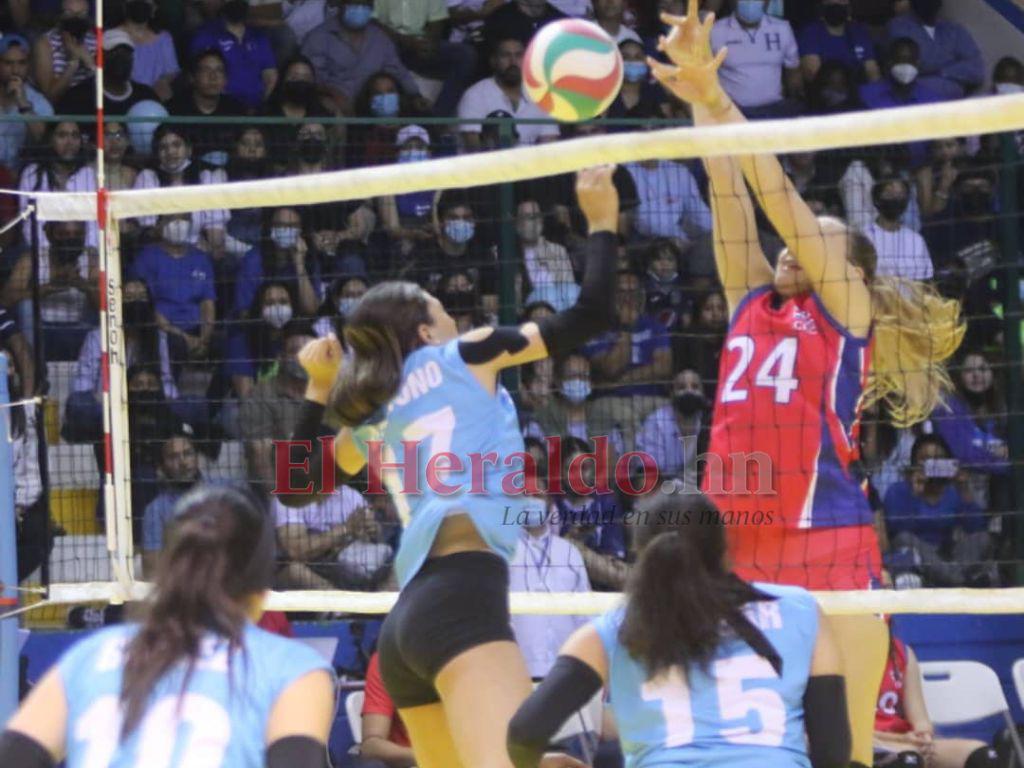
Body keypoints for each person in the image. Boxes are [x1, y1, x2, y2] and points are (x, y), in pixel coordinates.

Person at [648, 3, 963, 762]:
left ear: (850, 267)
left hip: (827, 537)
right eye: (801, 238)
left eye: (821, 237)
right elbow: (730, 189)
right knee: (750, 744)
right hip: (736, 539)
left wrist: (725, 104)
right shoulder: (751, 302)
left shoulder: (847, 310)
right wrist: (698, 94)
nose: (798, 245)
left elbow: (780, 203)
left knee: (841, 746)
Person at [278, 167, 621, 768]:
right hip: (463, 598)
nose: (454, 319)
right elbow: (591, 315)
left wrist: (316, 389)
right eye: (443, 310)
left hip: (406, 624)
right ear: (423, 329)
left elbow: (295, 487)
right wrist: (600, 221)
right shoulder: (465, 354)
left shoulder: (375, 414)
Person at [507, 490, 852, 768]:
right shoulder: (800, 610)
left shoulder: (608, 632)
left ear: (642, 555)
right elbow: (833, 754)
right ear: (723, 550)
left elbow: (523, 734)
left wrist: (539, 763)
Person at [0, 485, 336, 768]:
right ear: (263, 584)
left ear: (167, 567)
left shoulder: (89, 657)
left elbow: (14, 757)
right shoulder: (294, 671)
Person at [882, 433, 996, 588]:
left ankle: (949, 576)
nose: (933, 463)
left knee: (983, 538)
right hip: (915, 557)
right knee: (904, 538)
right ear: (914, 462)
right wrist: (915, 494)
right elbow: (896, 530)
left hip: (947, 554)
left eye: (938, 458)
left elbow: (976, 528)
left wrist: (965, 490)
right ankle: (959, 580)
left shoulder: (952, 490)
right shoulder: (898, 490)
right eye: (925, 459)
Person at [874, 629, 1001, 768]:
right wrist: (900, 739)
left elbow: (920, 720)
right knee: (908, 758)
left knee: (983, 756)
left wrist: (923, 737)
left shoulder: (902, 652)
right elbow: (849, 733)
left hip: (906, 742)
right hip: (867, 743)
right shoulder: (846, 657)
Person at [301, 0, 422, 114]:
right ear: (341, 3)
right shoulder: (318, 37)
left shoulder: (380, 38)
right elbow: (310, 78)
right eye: (355, 3)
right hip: (335, 106)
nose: (360, 8)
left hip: (372, 107)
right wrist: (332, 93)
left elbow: (397, 71)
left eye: (365, 4)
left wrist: (416, 96)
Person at [458, 36, 561, 150]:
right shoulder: (475, 95)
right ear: (493, 61)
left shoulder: (541, 95)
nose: (513, 61)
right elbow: (473, 148)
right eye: (505, 55)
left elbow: (549, 144)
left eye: (519, 55)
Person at [710, 0, 803, 118]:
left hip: (776, 110)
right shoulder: (715, 31)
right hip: (733, 112)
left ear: (767, 2)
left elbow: (793, 73)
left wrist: (796, 100)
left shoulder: (782, 28)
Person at [886, 0, 983, 100]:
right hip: (915, 101)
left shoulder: (954, 29)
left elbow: (977, 70)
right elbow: (919, 64)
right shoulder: (899, 26)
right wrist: (955, 68)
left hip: (954, 105)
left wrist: (942, 71)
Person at [190, 0, 278, 109]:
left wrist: (261, 107)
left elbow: (270, 77)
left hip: (256, 110)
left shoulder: (259, 37)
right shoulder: (206, 35)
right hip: (222, 110)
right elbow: (199, 76)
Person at [862, 177, 933, 281]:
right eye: (889, 193)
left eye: (900, 194)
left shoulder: (916, 240)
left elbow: (924, 281)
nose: (895, 198)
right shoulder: (863, 237)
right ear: (876, 199)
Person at [0, 34, 52, 170]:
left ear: (29, 66)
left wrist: (24, 105)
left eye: (21, 63)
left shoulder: (38, 101)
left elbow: (47, 141)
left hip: (23, 176)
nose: (15, 70)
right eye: (8, 63)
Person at [30, 0, 97, 104]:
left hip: (90, 106)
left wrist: (90, 63)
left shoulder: (97, 42)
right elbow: (49, 97)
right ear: (60, 16)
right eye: (69, 13)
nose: (76, 19)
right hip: (59, 110)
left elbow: (107, 93)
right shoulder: (45, 43)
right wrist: (73, 63)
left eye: (82, 14)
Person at [798, 0, 879, 84]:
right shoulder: (810, 33)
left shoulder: (859, 31)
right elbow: (813, 74)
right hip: (825, 91)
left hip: (858, 91)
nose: (836, 4)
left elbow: (872, 71)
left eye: (841, 1)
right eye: (831, 2)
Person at [118, 0, 180, 101]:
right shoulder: (112, 37)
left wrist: (163, 81)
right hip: (123, 97)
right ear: (125, 5)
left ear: (154, 8)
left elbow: (171, 70)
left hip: (156, 100)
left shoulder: (164, 38)